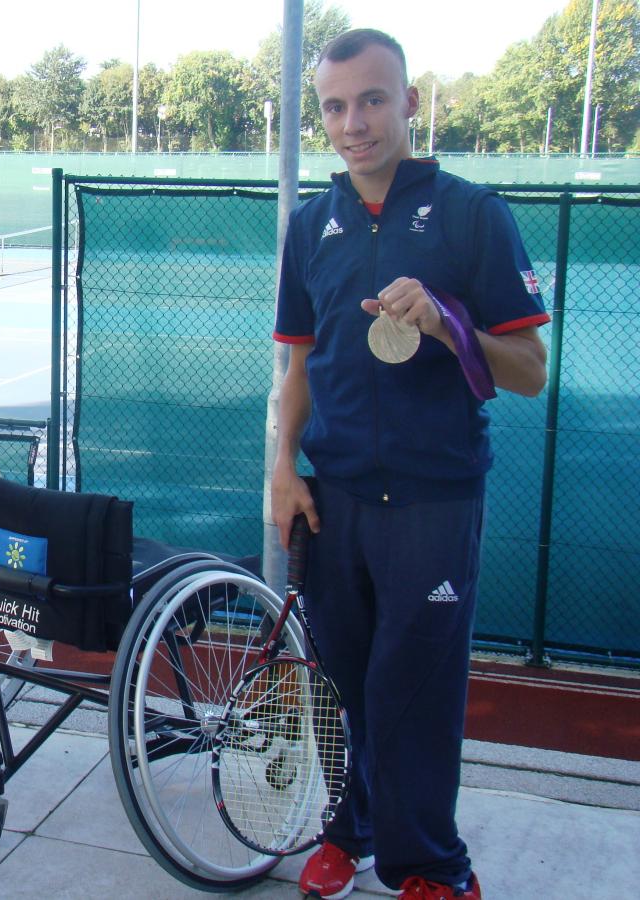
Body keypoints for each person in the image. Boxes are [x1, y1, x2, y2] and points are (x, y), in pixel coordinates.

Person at [271, 29, 549, 900]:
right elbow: (301, 367)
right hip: (335, 495)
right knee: (343, 682)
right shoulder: (311, 224)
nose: (354, 124)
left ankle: (434, 867)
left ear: (411, 101)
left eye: (373, 100)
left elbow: (531, 373)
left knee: (413, 691)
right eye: (336, 106)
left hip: (434, 500)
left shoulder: (472, 213)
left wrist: (443, 321)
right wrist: (283, 465)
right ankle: (348, 831)